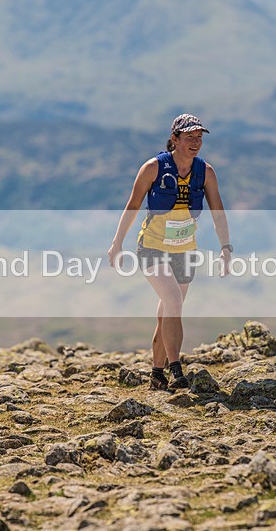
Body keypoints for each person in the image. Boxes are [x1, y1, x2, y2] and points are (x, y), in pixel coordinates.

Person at [108, 114, 232, 390]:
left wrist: (226, 247)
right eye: (189, 137)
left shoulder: (206, 172)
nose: (196, 143)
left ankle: (156, 373)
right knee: (174, 301)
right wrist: (117, 243)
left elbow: (218, 212)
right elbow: (132, 206)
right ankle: (176, 370)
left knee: (167, 312)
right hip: (151, 248)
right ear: (174, 139)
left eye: (199, 138)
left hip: (185, 251)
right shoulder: (153, 168)